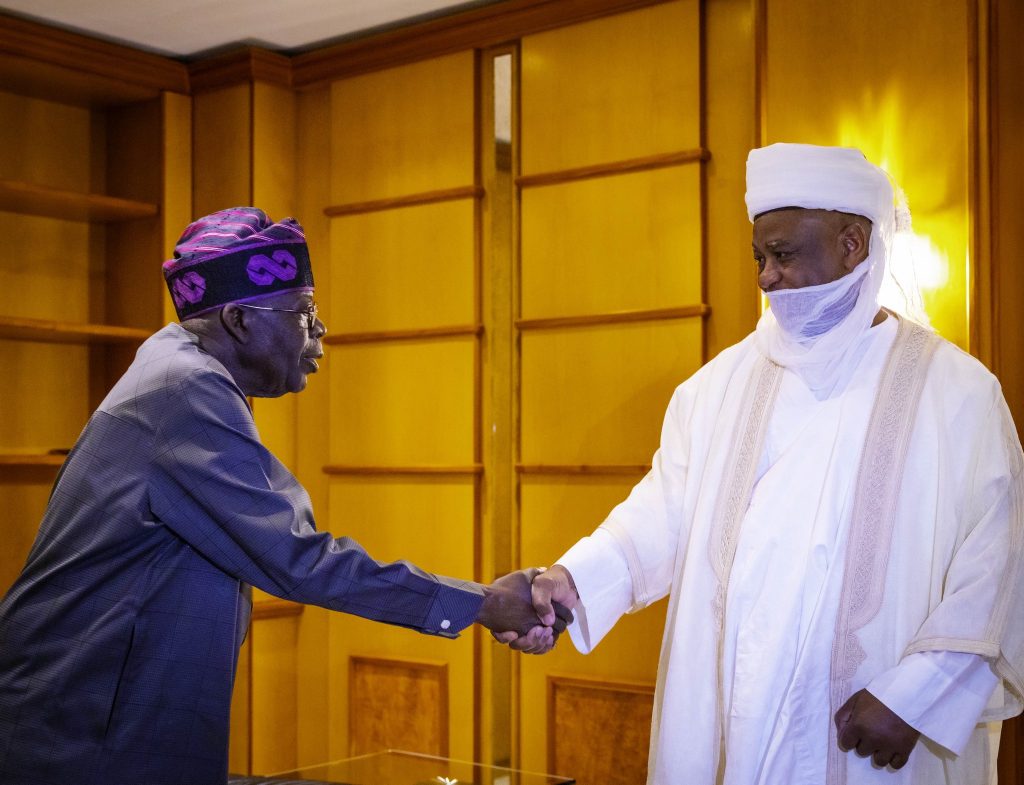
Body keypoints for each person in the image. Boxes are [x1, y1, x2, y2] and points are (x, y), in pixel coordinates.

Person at [0, 208, 565, 785]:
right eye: (304, 313)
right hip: (83, 728)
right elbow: (298, 558)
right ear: (239, 319)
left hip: (101, 713)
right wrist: (484, 603)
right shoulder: (184, 389)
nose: (321, 331)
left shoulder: (175, 367)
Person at [520, 144, 1024, 784]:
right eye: (759, 257)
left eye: (783, 255)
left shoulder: (958, 394)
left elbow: (999, 565)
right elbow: (659, 517)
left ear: (852, 245)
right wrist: (571, 581)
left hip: (872, 735)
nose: (765, 278)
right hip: (731, 721)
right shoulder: (716, 388)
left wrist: (917, 697)